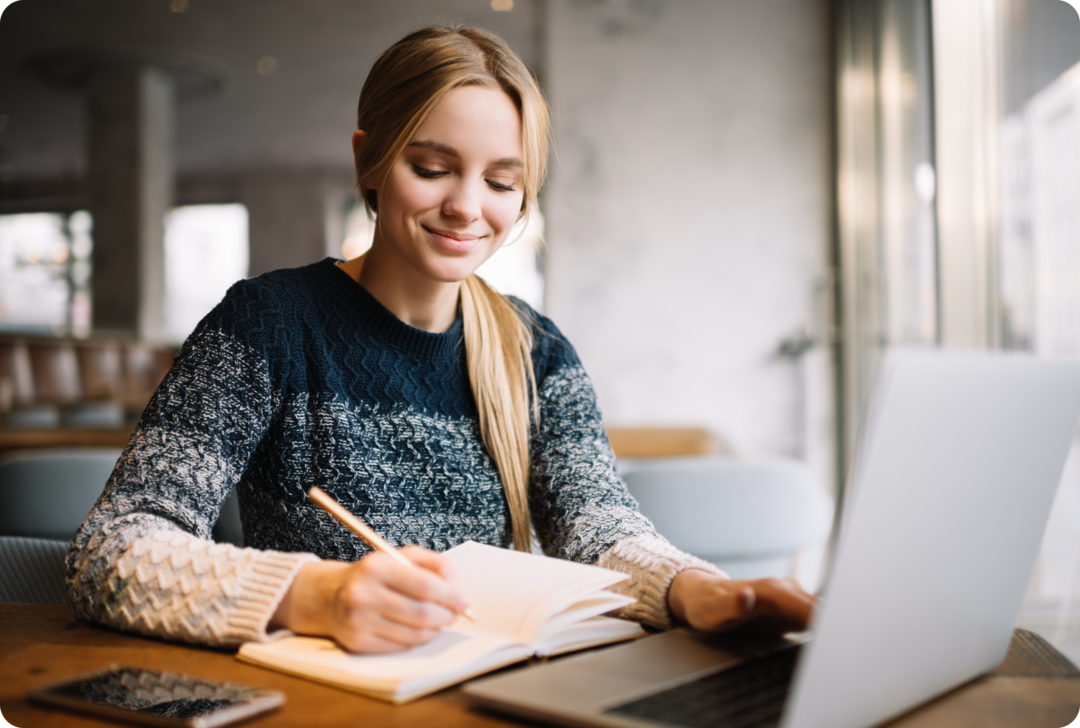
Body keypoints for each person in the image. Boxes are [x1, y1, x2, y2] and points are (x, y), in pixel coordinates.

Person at [67, 25, 813, 655]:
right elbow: (113, 550)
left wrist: (696, 588)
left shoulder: (536, 350)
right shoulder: (268, 324)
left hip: (483, 692)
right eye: (432, 168)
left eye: (502, 181)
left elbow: (597, 526)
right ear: (370, 158)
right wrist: (312, 595)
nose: (466, 207)